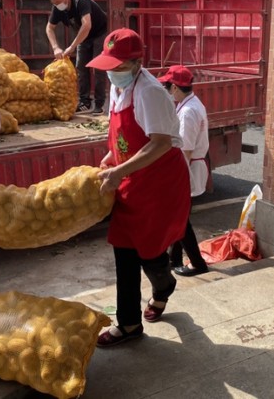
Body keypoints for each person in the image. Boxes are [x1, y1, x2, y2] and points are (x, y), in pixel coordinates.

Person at [87, 28, 190, 347]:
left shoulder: (150, 93)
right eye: (109, 66)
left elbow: (160, 143)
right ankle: (129, 323)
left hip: (158, 183)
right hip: (132, 178)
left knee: (150, 251)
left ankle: (164, 286)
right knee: (123, 250)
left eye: (118, 66)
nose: (112, 72)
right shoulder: (119, 86)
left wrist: (119, 170)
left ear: (136, 63)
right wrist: (112, 157)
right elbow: (126, 135)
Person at [159, 65, 210, 277]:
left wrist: (174, 179)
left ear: (175, 88)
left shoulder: (188, 112)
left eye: (167, 86)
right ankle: (175, 259)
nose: (166, 90)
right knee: (180, 217)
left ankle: (198, 263)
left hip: (188, 168)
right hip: (190, 167)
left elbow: (185, 151)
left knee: (180, 219)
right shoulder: (190, 104)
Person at [45, 0, 108, 114]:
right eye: (54, 3)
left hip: (100, 33)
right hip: (83, 36)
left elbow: (87, 25)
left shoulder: (80, 0)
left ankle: (99, 104)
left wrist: (72, 46)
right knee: (81, 67)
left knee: (98, 68)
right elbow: (49, 28)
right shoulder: (57, 8)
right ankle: (84, 102)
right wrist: (55, 47)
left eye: (58, 2)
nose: (57, 5)